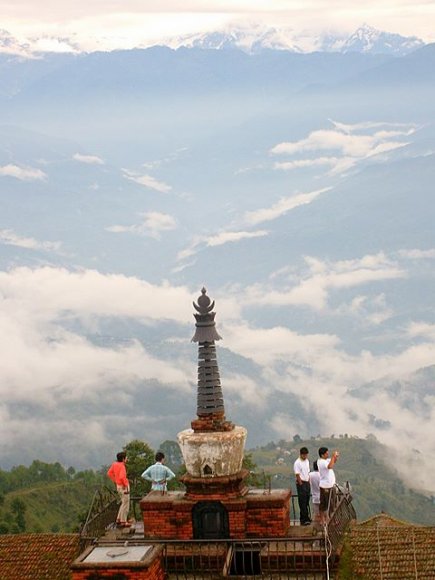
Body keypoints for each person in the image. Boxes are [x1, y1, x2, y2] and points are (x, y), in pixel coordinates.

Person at [107, 451, 131, 527]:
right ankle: (123, 521)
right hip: (123, 487)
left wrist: (115, 481)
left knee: (123, 503)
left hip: (118, 486)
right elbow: (122, 477)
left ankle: (119, 519)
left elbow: (109, 473)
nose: (127, 459)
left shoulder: (114, 464)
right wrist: (124, 484)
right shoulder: (122, 466)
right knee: (126, 504)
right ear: (123, 459)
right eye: (126, 457)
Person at [318, 447, 339, 524]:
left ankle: (323, 520)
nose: (328, 454)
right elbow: (330, 466)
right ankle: (331, 520)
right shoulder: (322, 462)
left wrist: (335, 457)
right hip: (327, 486)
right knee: (330, 504)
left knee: (324, 504)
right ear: (322, 455)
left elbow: (333, 462)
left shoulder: (324, 460)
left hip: (326, 485)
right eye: (326, 453)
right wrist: (333, 457)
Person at [293, 446, 311, 525]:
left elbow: (307, 471)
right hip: (301, 483)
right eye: (304, 455)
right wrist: (301, 484)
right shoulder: (297, 463)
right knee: (302, 502)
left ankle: (304, 517)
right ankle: (304, 519)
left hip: (307, 482)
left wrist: (308, 482)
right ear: (301, 454)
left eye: (306, 455)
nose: (305, 456)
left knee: (306, 501)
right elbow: (297, 474)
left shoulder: (307, 461)